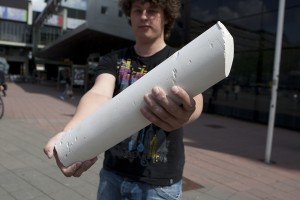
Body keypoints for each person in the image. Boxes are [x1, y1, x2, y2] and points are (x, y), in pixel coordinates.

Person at [44, 0, 203, 199]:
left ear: (167, 16)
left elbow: (196, 97)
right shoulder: (113, 60)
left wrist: (189, 112)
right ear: (130, 15)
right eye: (138, 10)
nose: (144, 16)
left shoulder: (180, 58)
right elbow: (99, 94)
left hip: (159, 183)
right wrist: (70, 133)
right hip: (113, 173)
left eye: (152, 10)